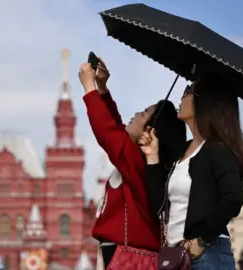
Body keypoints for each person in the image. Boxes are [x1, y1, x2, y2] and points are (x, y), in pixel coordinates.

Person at [139, 73, 243, 269]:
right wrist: (152, 157)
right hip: (178, 257)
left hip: (207, 257)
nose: (182, 96)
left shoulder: (217, 149)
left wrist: (202, 240)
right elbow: (159, 205)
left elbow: (233, 198)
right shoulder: (184, 151)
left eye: (188, 90)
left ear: (204, 100)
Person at [79, 58, 168, 268]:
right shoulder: (137, 161)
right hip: (125, 255)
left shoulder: (137, 161)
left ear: (150, 130)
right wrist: (102, 88)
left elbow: (107, 131)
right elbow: (115, 126)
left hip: (128, 258)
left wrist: (89, 88)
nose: (136, 114)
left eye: (144, 113)